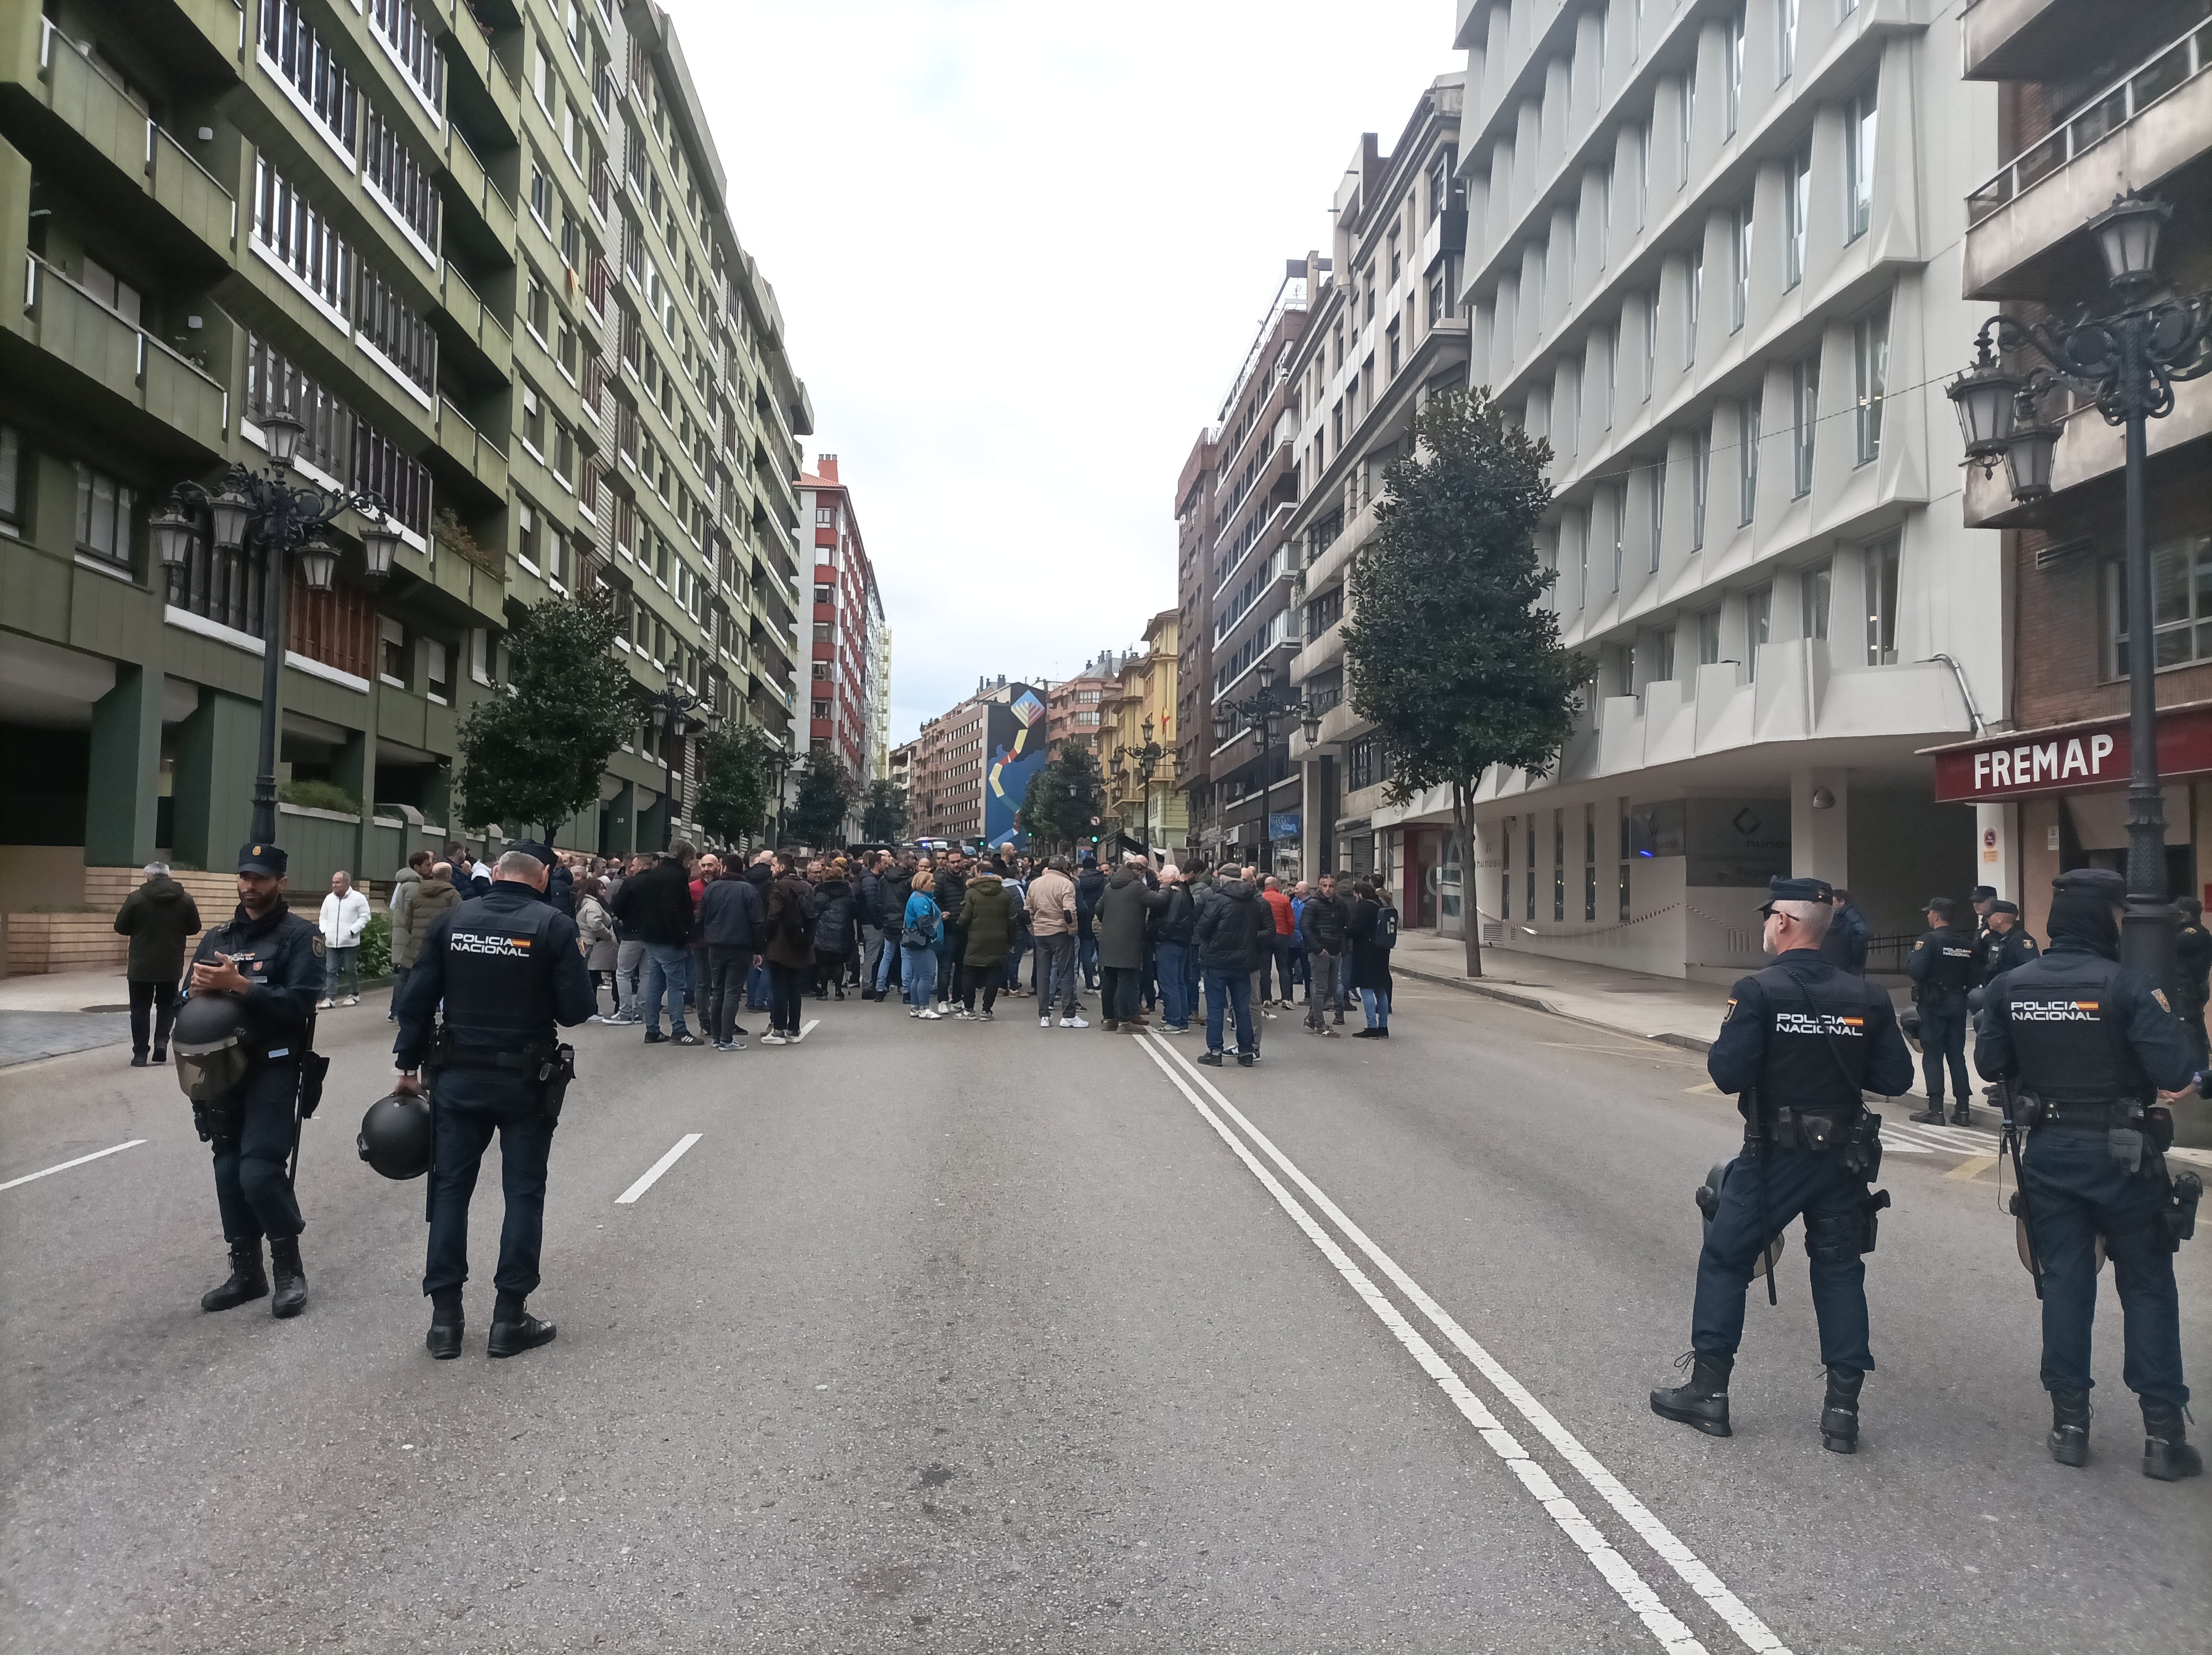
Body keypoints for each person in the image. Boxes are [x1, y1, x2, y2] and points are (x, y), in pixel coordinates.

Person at [1648, 876, 1915, 1452]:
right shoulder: (1866, 996)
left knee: (1725, 1260)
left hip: (1773, 1155)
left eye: (1769, 914)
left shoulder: (1758, 990)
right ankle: (1842, 1411)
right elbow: (1895, 1078)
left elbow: (1726, 1074)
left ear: (1786, 923)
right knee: (1840, 1273)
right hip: (1843, 1159)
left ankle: (1709, 1394)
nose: (1765, 924)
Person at [1974, 866, 2201, 1479]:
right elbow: (2178, 1068)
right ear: (2106, 921)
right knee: (2148, 1285)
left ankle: (2069, 1425)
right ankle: (2161, 1437)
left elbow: (1991, 1061)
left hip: (2048, 1150)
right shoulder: (2127, 985)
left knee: (2065, 1282)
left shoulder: (2009, 985)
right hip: (2123, 1154)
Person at [393, 843, 591, 1360]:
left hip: (456, 1078)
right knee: (523, 1194)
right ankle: (508, 1319)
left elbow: (415, 999)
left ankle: (445, 1323)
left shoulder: (454, 921)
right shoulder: (552, 926)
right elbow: (575, 1011)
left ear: (497, 872)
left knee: (449, 1194)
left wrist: (406, 1067)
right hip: (525, 1082)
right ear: (544, 877)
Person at [182, 842, 325, 1319]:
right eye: (244, 876)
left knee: (259, 1170)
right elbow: (188, 994)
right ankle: (247, 1272)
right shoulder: (217, 936)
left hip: (273, 1064)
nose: (249, 887)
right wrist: (196, 991)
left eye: (260, 878)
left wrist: (242, 987)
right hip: (222, 1068)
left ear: (281, 882)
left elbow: (300, 1003)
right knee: (227, 1169)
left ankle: (289, 1269)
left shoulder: (300, 936)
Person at [609, 842, 701, 1045]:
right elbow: (672, 909)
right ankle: (679, 1030)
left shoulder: (655, 874)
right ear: (686, 858)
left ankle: (652, 1030)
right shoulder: (676, 877)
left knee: (655, 984)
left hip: (650, 935)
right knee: (676, 986)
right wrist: (682, 935)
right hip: (668, 937)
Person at [114, 860, 201, 1066]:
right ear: (168, 876)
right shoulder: (185, 899)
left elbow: (120, 927)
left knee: (140, 1008)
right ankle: (161, 1043)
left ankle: (141, 1054)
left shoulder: (136, 898)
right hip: (171, 963)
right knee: (166, 1006)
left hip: (140, 965)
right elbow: (195, 927)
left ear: (148, 877)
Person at [1906, 896, 1977, 1126]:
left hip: (1933, 1005)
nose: (1927, 916)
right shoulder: (1966, 943)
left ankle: (1936, 1109)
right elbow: (1976, 975)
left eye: (1929, 913)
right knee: (1957, 1056)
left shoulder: (1929, 941)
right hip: (1958, 1003)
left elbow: (1916, 970)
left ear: (1936, 915)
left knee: (1933, 1055)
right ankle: (1963, 1110)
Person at [1194, 867, 1266, 1066]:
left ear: (1224, 879)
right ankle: (1246, 1053)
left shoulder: (1218, 899)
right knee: (1242, 1009)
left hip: (1217, 960)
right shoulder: (1253, 902)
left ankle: (1215, 1052)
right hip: (1244, 962)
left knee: (1216, 1008)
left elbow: (1203, 928)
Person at [698, 861, 764, 1052]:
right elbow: (757, 922)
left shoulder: (711, 889)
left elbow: (701, 916)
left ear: (724, 868)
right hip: (740, 946)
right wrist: (758, 949)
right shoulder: (748, 890)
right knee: (732, 991)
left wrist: (706, 937)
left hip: (716, 945)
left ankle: (717, 1036)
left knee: (717, 990)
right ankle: (727, 1037)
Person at [1096, 860, 1163, 1030]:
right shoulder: (1137, 887)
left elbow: (1099, 908)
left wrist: (1109, 923)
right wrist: (1168, 889)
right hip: (1129, 940)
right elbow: (1157, 902)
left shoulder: (1109, 887)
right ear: (1139, 873)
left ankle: (1109, 1019)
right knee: (1127, 981)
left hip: (1108, 940)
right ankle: (1125, 1022)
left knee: (1110, 981)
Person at [761, 852, 816, 1043]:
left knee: (778, 987)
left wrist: (766, 938)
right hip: (801, 942)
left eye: (774, 865)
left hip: (780, 944)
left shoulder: (780, 887)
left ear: (782, 867)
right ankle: (794, 1029)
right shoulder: (807, 886)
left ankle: (778, 1030)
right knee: (794, 986)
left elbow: (773, 916)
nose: (771, 868)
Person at [1026, 855, 1084, 1028]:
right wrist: (1073, 930)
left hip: (1041, 932)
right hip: (1060, 932)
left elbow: (1027, 911)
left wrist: (1033, 929)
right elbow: (1069, 911)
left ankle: (1044, 1015)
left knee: (1043, 975)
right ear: (1065, 868)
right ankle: (1068, 1016)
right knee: (1066, 974)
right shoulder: (1067, 884)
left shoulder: (1035, 884)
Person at [957, 863, 1016, 1019]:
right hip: (999, 940)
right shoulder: (1005, 894)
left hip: (975, 939)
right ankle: (986, 1010)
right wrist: (1012, 940)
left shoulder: (972, 893)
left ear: (979, 873)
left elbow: (965, 918)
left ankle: (969, 1009)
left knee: (969, 972)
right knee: (994, 973)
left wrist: (959, 927)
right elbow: (1012, 919)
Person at [1299, 872, 1352, 1038]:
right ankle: (1320, 1025)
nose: (1328, 889)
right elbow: (1305, 927)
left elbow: (1347, 925)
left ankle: (1312, 1018)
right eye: (1324, 886)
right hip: (1320, 952)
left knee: (1331, 988)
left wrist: (1342, 947)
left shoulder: (1340, 905)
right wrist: (1317, 948)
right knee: (1321, 988)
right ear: (1319, 887)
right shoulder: (1313, 904)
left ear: (1336, 888)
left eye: (1331, 886)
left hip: (1335, 951)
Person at [384, 851, 434, 1020]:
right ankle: (399, 1011)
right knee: (406, 975)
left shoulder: (408, 883)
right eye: (428, 865)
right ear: (417, 867)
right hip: (408, 939)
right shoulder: (413, 885)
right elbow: (412, 913)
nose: (431, 868)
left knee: (404, 975)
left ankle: (396, 1011)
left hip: (405, 938)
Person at [316, 870, 372, 1009]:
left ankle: (354, 994)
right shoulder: (329, 899)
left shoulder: (359, 898)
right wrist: (324, 930)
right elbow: (323, 917)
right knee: (330, 970)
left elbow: (365, 917)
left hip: (349, 941)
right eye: (333, 882)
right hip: (331, 941)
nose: (334, 885)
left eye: (338, 882)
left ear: (347, 883)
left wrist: (352, 930)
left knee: (349, 969)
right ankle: (330, 998)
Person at [810, 861, 860, 999]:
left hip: (824, 932)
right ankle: (839, 992)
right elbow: (855, 911)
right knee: (839, 963)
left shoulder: (820, 892)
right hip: (843, 932)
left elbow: (814, 911)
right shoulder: (848, 893)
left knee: (824, 963)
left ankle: (824, 991)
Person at [2173, 897, 2212, 1070]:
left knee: (2189, 1028)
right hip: (2188, 989)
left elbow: (2172, 944)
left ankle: (2198, 1071)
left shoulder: (2195, 933)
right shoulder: (2190, 932)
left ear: (2189, 914)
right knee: (2192, 1027)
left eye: (2180, 911)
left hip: (2189, 990)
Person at [901, 868, 944, 1018]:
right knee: (927, 976)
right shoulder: (921, 900)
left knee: (918, 976)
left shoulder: (919, 897)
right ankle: (925, 1009)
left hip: (917, 941)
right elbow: (924, 921)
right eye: (931, 881)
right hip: (923, 942)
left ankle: (916, 1007)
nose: (934, 883)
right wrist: (933, 936)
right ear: (922, 883)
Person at [576, 875, 619, 1018]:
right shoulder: (593, 905)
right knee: (593, 977)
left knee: (590, 977)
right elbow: (595, 924)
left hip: (588, 942)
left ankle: (590, 1009)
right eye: (601, 888)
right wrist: (608, 935)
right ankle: (591, 1010)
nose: (604, 892)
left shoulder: (584, 902)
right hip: (596, 943)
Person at [873, 855, 914, 1002]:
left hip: (889, 921)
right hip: (904, 921)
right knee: (906, 957)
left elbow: (879, 901)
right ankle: (906, 991)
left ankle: (879, 989)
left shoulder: (884, 879)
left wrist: (883, 917)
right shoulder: (909, 880)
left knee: (887, 956)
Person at [1257, 876, 1296, 1008]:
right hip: (1281, 935)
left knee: (1265, 969)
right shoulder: (1285, 900)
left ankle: (1266, 999)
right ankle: (1286, 999)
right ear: (1277, 886)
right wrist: (1289, 935)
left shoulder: (1260, 899)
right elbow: (1291, 921)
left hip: (1265, 936)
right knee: (1283, 967)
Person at [1818, 888, 1871, 975]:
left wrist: (1854, 948)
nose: (1831, 904)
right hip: (1847, 960)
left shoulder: (1850, 914)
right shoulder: (1843, 915)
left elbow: (1863, 932)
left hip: (1850, 961)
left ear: (1842, 902)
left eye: (1833, 901)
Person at [1074, 856, 1106, 989]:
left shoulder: (1079, 882)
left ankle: (1089, 984)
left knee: (1086, 953)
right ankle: (1104, 983)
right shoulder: (1104, 882)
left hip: (1084, 919)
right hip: (1101, 918)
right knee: (1102, 953)